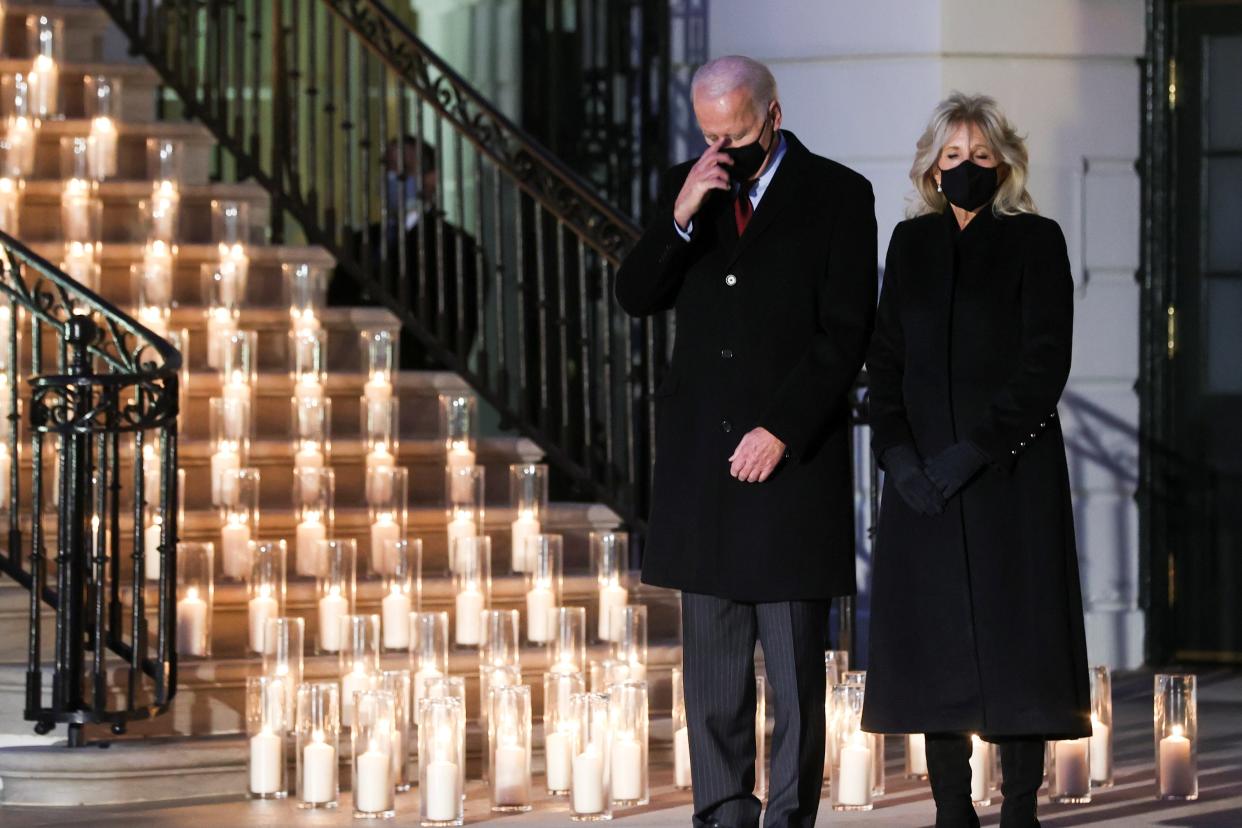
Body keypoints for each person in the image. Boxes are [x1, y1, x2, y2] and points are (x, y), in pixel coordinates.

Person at [615, 55, 877, 828]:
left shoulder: (837, 194)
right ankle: (723, 810)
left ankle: (789, 816)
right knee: (714, 673)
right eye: (708, 136)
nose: (721, 149)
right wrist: (681, 212)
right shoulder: (686, 183)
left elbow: (846, 331)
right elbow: (636, 295)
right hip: (705, 470)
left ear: (773, 114)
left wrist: (783, 429)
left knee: (795, 673)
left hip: (791, 466)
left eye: (735, 133)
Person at [861, 92, 1091, 828]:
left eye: (981, 157)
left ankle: (1020, 809)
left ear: (1005, 165)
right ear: (931, 168)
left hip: (1008, 478)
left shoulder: (1036, 240)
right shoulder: (910, 245)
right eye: (952, 157)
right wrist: (896, 455)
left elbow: (1043, 364)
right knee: (933, 649)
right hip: (921, 483)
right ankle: (952, 810)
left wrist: (976, 451)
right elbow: (886, 358)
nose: (965, 169)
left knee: (1017, 645)